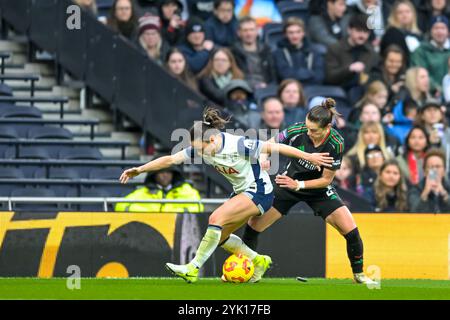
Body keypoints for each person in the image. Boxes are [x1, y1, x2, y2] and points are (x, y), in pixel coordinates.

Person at [119, 107, 334, 283]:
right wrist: (140, 169)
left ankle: (192, 268)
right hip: (242, 192)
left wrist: (310, 157)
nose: (198, 153)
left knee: (215, 219)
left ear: (212, 141)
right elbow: (170, 159)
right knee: (219, 237)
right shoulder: (202, 147)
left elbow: (275, 146)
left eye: (201, 149)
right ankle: (258, 261)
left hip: (260, 192)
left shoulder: (238, 145)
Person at [240, 98, 377, 284]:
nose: (309, 133)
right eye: (307, 127)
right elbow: (269, 144)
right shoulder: (297, 129)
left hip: (317, 189)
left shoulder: (336, 142)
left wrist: (299, 185)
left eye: (314, 131)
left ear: (328, 127)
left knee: (351, 230)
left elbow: (326, 180)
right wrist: (264, 158)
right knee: (253, 225)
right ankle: (247, 269)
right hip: (287, 185)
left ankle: (359, 275)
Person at [325, 14, 379, 103]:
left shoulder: (371, 52)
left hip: (365, 93)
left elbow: (376, 73)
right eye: (358, 31)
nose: (362, 35)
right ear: (349, 30)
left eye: (365, 32)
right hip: (341, 91)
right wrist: (349, 69)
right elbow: (330, 77)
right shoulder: (335, 48)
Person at [115, 166, 203, 212]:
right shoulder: (143, 192)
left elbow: (198, 208)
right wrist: (150, 214)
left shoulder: (187, 191)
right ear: (154, 175)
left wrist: (168, 213)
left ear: (174, 174)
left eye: (168, 172)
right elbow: (121, 206)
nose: (165, 175)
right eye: (161, 172)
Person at [273, 17, 325, 85]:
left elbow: (319, 76)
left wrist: (295, 74)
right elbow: (285, 74)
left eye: (298, 32)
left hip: (312, 88)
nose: (295, 36)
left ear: (303, 33)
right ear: (285, 34)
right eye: (291, 33)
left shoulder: (314, 51)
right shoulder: (279, 53)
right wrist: (309, 73)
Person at [231, 16, 277, 90]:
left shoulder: (267, 50)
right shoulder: (233, 52)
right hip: (243, 89)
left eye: (252, 30)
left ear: (257, 31)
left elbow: (273, 75)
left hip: (266, 88)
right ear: (239, 33)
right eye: (245, 30)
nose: (249, 33)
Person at [411, 15, 450, 94]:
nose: (439, 31)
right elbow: (418, 72)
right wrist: (437, 88)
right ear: (430, 31)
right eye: (436, 28)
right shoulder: (421, 51)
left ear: (448, 32)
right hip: (429, 94)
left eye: (443, 28)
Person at [380, 0, 422, 65]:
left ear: (413, 14)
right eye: (400, 12)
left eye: (407, 12)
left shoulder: (419, 35)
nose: (404, 15)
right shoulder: (391, 34)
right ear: (394, 15)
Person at [408, 148, 450, 212]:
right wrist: (425, 193)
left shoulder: (448, 187)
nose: (434, 170)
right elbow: (414, 213)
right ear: (424, 171)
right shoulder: (415, 189)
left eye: (438, 166)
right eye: (431, 167)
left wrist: (443, 193)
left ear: (444, 171)